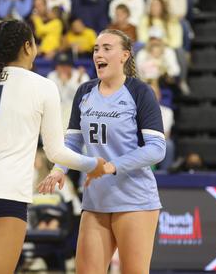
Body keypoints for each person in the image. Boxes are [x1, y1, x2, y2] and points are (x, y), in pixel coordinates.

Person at [0, 20, 108, 274]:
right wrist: (94, 164)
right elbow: (55, 152)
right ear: (28, 46)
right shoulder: (43, 86)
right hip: (4, 196)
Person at [39, 29, 166, 274]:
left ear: (125, 56)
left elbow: (156, 149)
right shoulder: (84, 91)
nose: (99, 53)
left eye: (107, 48)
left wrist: (112, 165)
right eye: (96, 48)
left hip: (135, 200)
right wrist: (58, 169)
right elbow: (72, 142)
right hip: (95, 199)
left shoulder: (140, 92)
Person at [47, 52, 89, 130]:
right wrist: (64, 83)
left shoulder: (81, 76)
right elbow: (54, 98)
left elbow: (83, 98)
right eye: (61, 65)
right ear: (56, 66)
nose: (64, 68)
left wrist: (68, 83)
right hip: (58, 112)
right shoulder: (52, 76)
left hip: (77, 113)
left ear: (71, 66)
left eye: (67, 65)